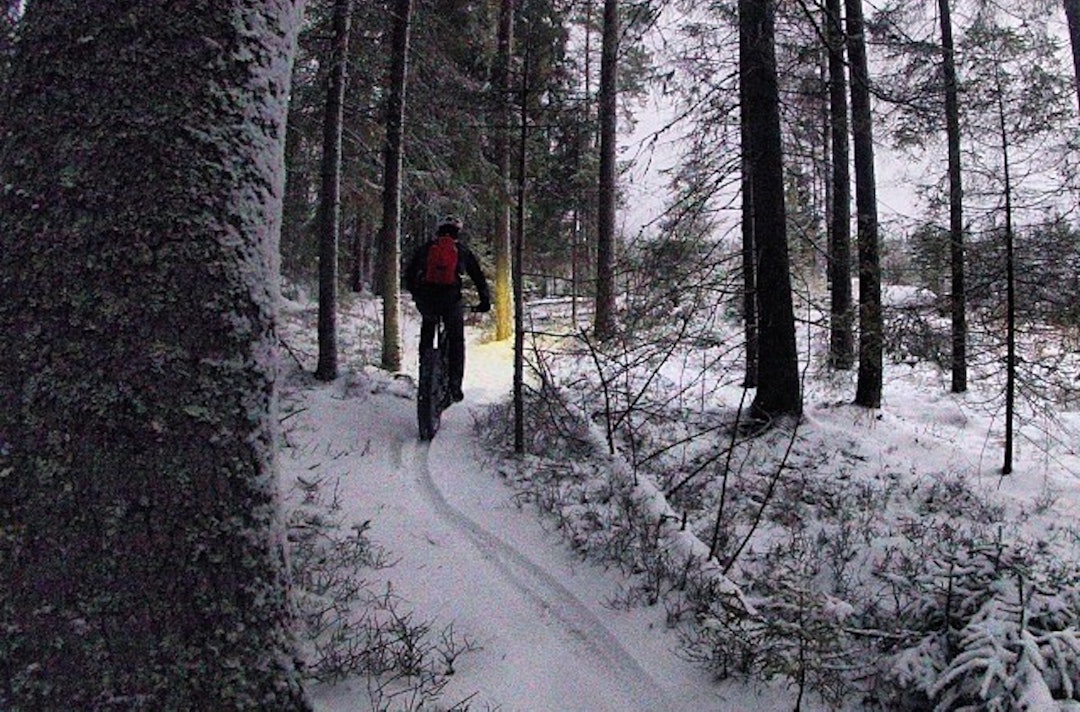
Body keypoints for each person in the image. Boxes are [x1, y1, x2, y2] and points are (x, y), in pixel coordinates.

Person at [405, 215, 491, 403]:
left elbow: (409, 273)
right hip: (451, 301)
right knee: (456, 340)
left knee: (428, 329)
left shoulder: (426, 249)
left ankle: (424, 372)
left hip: (427, 300)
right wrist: (485, 301)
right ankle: (454, 386)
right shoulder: (461, 251)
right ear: (457, 232)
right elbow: (478, 277)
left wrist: (416, 294)